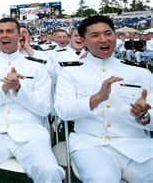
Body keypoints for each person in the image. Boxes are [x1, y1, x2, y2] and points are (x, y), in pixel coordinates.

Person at [0, 18, 64, 183]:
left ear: (19, 36)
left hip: (30, 134)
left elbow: (45, 108)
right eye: (0, 32)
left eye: (9, 31)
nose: (4, 35)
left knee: (49, 171)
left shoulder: (37, 66)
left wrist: (18, 89)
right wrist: (4, 88)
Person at [55, 15, 152, 182]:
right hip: (92, 145)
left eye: (108, 33)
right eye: (95, 35)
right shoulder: (70, 72)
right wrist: (97, 98)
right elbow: (63, 111)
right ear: (83, 41)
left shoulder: (140, 73)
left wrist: (145, 117)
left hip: (136, 145)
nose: (103, 39)